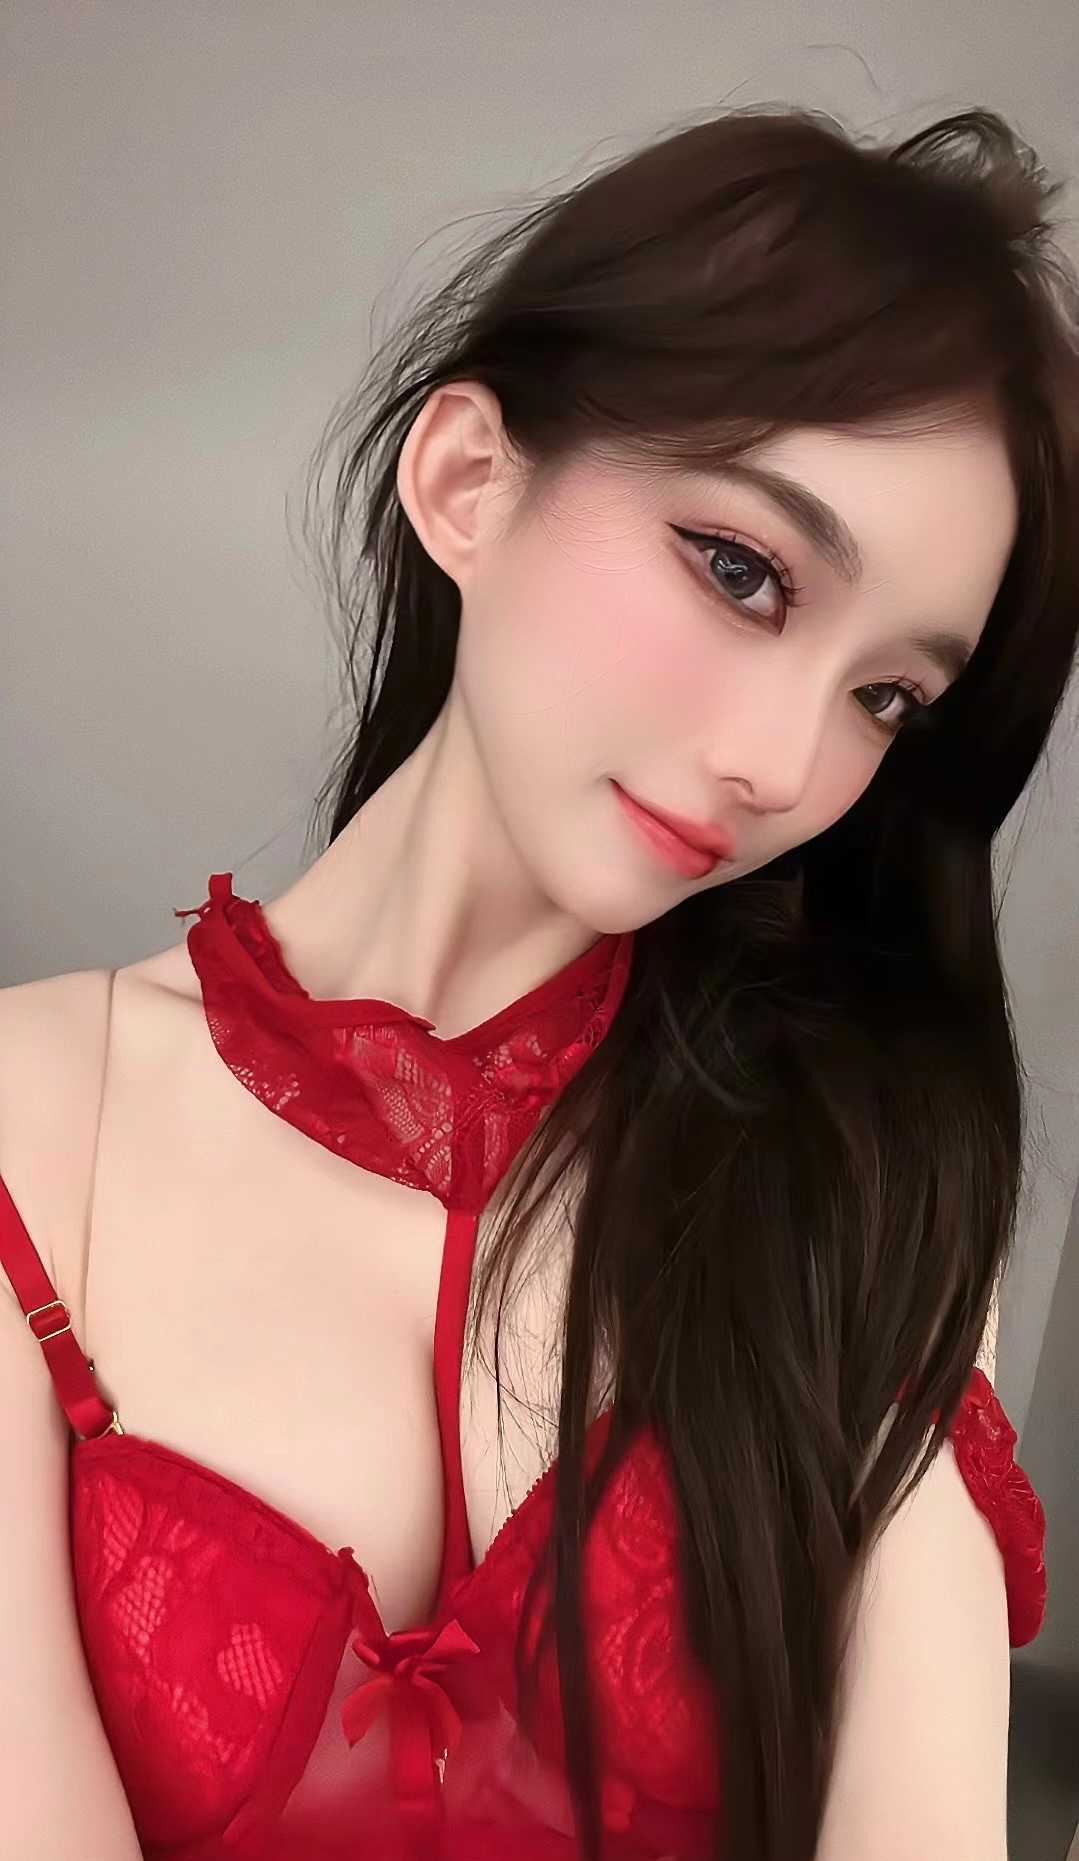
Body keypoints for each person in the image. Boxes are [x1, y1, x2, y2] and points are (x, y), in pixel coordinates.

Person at [0, 101, 1075, 1861]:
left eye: (888, 696)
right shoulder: (35, 1132)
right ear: (467, 481)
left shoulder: (862, 1186)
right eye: (744, 571)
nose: (783, 760)